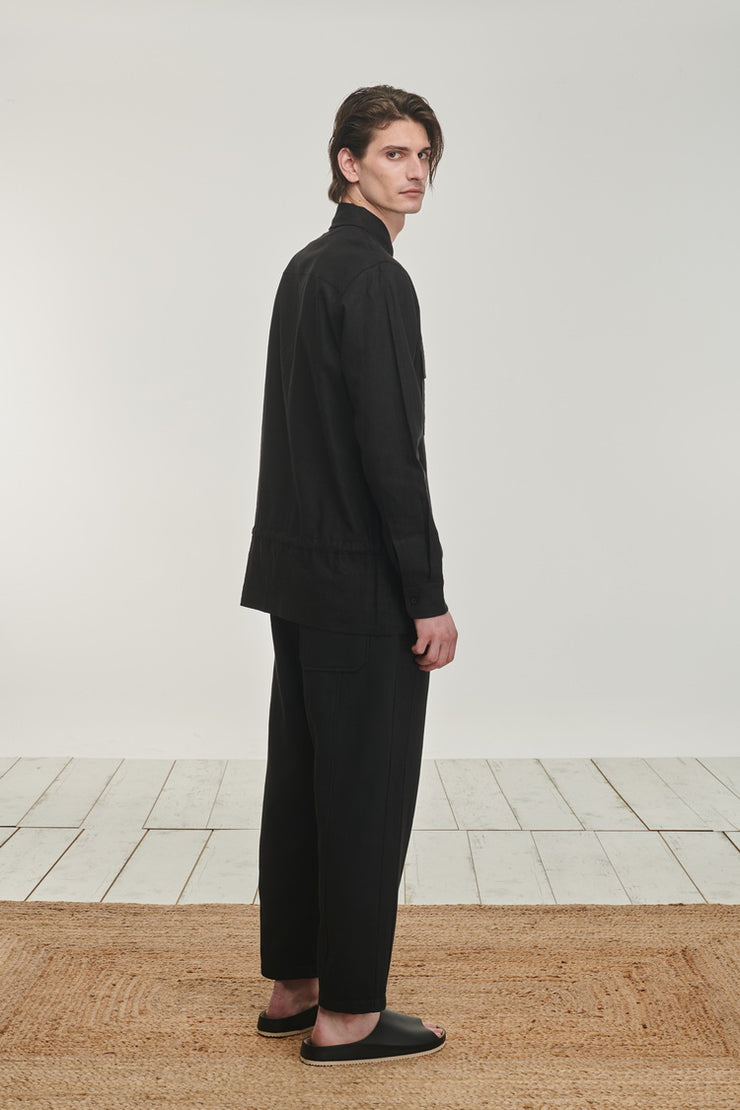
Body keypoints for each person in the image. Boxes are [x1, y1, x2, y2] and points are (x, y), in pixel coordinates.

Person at [239, 84, 457, 1066]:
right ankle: (350, 1017)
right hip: (360, 584)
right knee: (363, 794)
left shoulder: (306, 267)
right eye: (394, 153)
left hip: (296, 576)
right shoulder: (374, 279)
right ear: (347, 163)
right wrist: (426, 596)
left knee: (304, 784)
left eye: (424, 155)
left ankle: (294, 985)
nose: (414, 172)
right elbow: (389, 454)